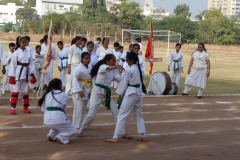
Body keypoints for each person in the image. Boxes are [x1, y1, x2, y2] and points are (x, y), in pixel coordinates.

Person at [77, 54, 124, 137]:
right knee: (92, 114)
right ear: (107, 61)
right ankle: (81, 130)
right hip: (97, 93)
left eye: (115, 60)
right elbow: (108, 68)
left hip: (106, 94)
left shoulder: (113, 71)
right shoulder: (103, 67)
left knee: (116, 111)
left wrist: (129, 79)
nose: (114, 62)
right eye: (113, 60)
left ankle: (122, 132)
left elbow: (120, 79)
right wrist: (117, 66)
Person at [106, 52, 147, 143]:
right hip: (138, 93)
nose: (127, 62)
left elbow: (123, 84)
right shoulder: (138, 69)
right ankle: (143, 135)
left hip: (131, 93)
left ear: (131, 60)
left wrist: (119, 95)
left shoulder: (129, 70)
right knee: (138, 114)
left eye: (127, 60)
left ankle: (115, 137)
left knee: (121, 114)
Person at [38, 78, 78, 144]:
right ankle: (61, 137)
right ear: (60, 85)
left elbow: (43, 109)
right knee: (73, 130)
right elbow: (64, 109)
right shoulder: (64, 95)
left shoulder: (46, 95)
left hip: (46, 119)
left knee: (56, 126)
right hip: (58, 117)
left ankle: (51, 135)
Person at [8, 36, 36, 115]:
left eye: (25, 42)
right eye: (23, 42)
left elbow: (31, 64)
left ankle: (26, 108)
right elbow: (13, 64)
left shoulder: (28, 52)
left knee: (25, 92)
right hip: (18, 73)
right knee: (15, 91)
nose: (24, 44)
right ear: (19, 43)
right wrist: (12, 75)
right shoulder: (16, 52)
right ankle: (13, 108)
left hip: (26, 73)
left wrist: (32, 74)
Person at [71, 52, 92, 131]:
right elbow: (74, 80)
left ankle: (82, 125)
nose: (88, 60)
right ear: (82, 59)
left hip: (86, 90)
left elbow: (91, 80)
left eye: (89, 58)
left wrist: (90, 91)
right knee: (78, 109)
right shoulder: (78, 68)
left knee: (83, 110)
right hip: (78, 91)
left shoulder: (89, 68)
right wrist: (79, 90)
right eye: (86, 58)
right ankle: (76, 126)